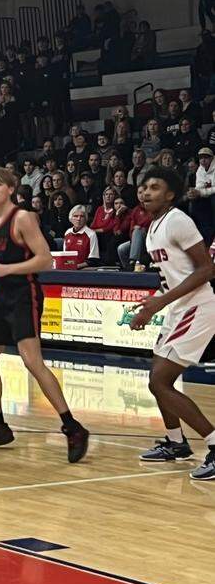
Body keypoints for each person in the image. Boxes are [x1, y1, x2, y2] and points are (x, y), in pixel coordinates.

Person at [0, 167, 90, 462]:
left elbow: (45, 259)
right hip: (0, 296)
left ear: (11, 188)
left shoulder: (22, 218)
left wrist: (7, 269)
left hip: (24, 295)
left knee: (32, 362)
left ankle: (72, 427)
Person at [131, 167, 215, 480]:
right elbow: (171, 277)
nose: (145, 192)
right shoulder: (153, 226)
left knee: (159, 382)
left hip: (198, 306)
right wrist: (149, 310)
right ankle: (176, 443)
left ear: (170, 194)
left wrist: (160, 303)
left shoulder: (178, 220)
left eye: (154, 187)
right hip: (178, 308)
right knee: (157, 378)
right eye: (143, 187)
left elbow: (206, 270)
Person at [187, 147, 215, 247]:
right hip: (208, 195)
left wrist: (200, 193)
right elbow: (199, 186)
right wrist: (194, 192)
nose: (203, 160)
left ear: (212, 158)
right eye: (201, 158)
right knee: (194, 201)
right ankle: (202, 233)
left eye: (206, 158)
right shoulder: (200, 169)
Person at [118, 196, 152, 270]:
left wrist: (143, 228)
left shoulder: (152, 208)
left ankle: (133, 261)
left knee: (138, 231)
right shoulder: (136, 210)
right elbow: (131, 228)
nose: (141, 195)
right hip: (136, 239)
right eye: (139, 193)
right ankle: (129, 270)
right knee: (121, 249)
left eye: (142, 192)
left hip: (150, 237)